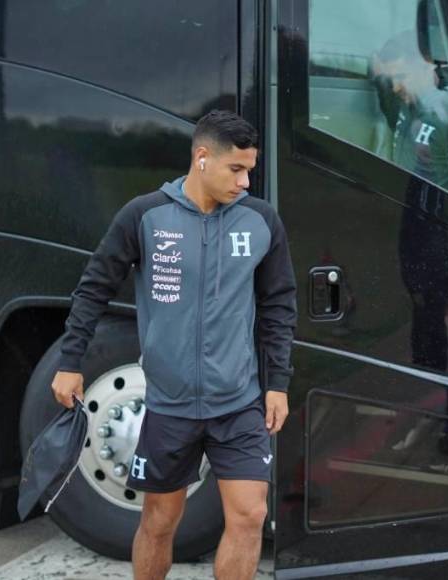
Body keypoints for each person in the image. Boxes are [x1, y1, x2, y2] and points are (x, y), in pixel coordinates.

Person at [51, 110, 296, 580]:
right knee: (160, 522)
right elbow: (93, 287)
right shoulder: (145, 216)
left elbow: (279, 306)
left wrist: (277, 382)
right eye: (236, 169)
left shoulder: (261, 222)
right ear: (202, 158)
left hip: (238, 403)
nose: (246, 182)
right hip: (170, 406)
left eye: (250, 170)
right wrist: (70, 361)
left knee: (248, 517)